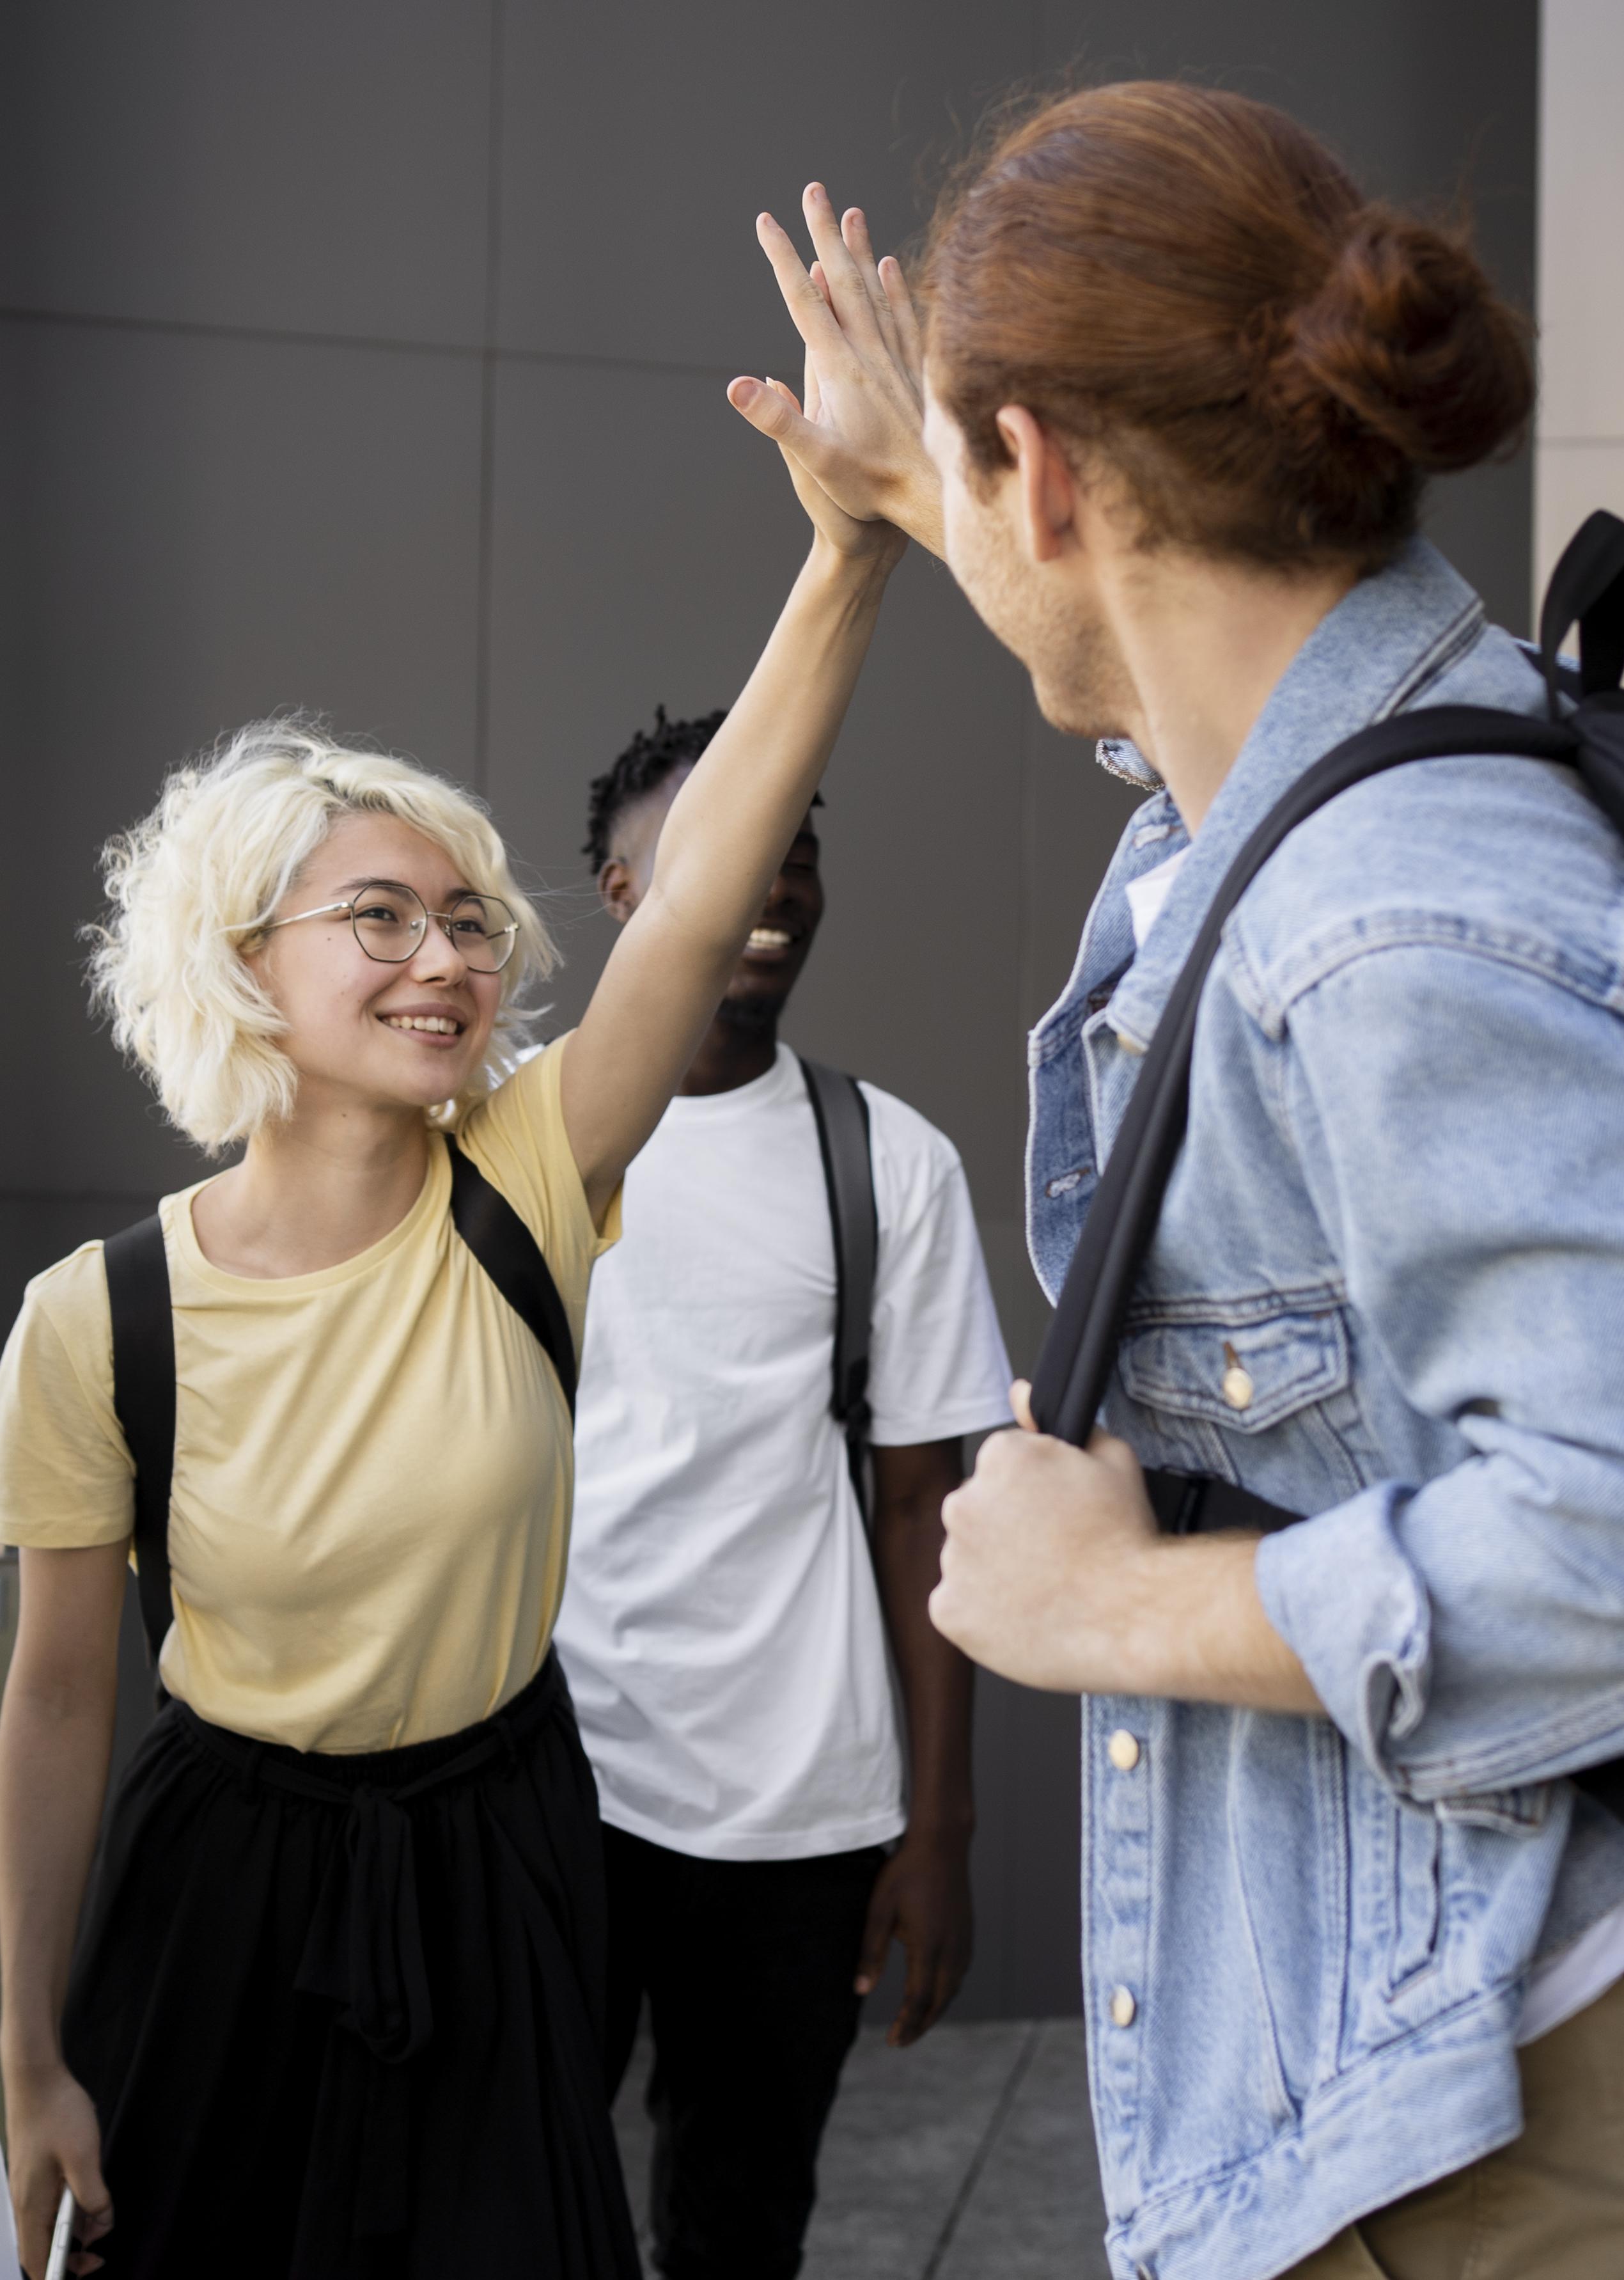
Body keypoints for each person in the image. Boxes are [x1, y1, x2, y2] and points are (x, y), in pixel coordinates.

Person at [725, 91, 1624, 2280]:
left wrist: (1115, 1610)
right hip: (1484, 2073)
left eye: (993, 472)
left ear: (1057, 477)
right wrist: (925, 482)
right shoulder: (1340, 783)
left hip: (1551, 2127)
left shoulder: (1388, 912)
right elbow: (1198, 751)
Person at [0, 416, 908, 2272]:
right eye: (378, 915)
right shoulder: (99, 1318)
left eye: (470, 920)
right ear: (243, 962)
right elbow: (63, 1696)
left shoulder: (528, 1181)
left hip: (497, 1852)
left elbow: (706, 881)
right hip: (219, 1880)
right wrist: (30, 2052)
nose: (446, 956)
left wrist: (848, 551)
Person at [563, 706, 1011, 2277]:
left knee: (739, 2225)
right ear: (622, 896)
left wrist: (938, 1825)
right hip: (552, 1782)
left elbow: (922, 1509)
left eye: (795, 847)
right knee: (526, 2203)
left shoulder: (889, 1160)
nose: (768, 876)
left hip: (798, 1811)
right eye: (722, 846)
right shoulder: (511, 1138)